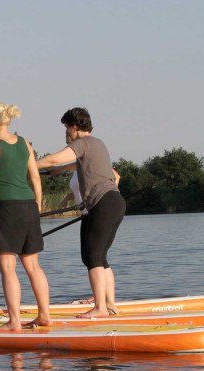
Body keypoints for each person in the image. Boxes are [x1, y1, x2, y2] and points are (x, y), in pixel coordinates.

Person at [0, 103, 52, 332]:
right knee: (33, 266)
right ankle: (45, 315)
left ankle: (14, 321)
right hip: (29, 207)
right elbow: (35, 178)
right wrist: (38, 206)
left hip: (7, 209)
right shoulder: (25, 143)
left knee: (8, 267)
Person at [37, 107, 126, 317]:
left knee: (93, 255)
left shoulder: (81, 143)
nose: (65, 133)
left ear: (75, 127)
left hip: (104, 203)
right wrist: (53, 171)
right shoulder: (97, 144)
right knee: (98, 257)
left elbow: (54, 159)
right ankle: (110, 304)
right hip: (112, 203)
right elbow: (69, 166)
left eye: (66, 128)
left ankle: (100, 308)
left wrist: (27, 163)